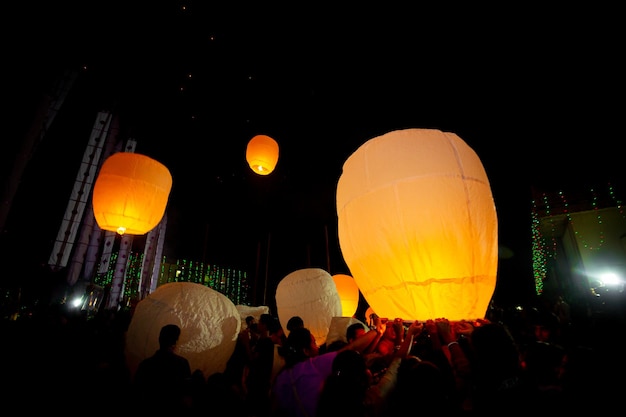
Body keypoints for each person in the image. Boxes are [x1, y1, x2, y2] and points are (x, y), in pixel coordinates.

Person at [270, 325, 381, 417]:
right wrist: (377, 330)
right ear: (306, 351)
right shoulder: (314, 365)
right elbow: (350, 350)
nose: (317, 346)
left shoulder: (281, 376)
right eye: (313, 343)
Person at [131, 324, 193, 413]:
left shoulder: (145, 365)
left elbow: (136, 393)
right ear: (175, 343)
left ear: (159, 340)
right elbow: (186, 396)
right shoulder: (182, 364)